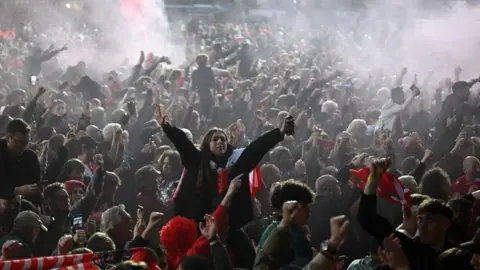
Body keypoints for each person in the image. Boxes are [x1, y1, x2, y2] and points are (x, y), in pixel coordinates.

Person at [0, 119, 41, 205]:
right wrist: (16, 190)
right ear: (8, 138)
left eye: (26, 143)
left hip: (23, 202)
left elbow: (35, 183)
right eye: (19, 142)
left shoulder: (31, 157)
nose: (22, 147)